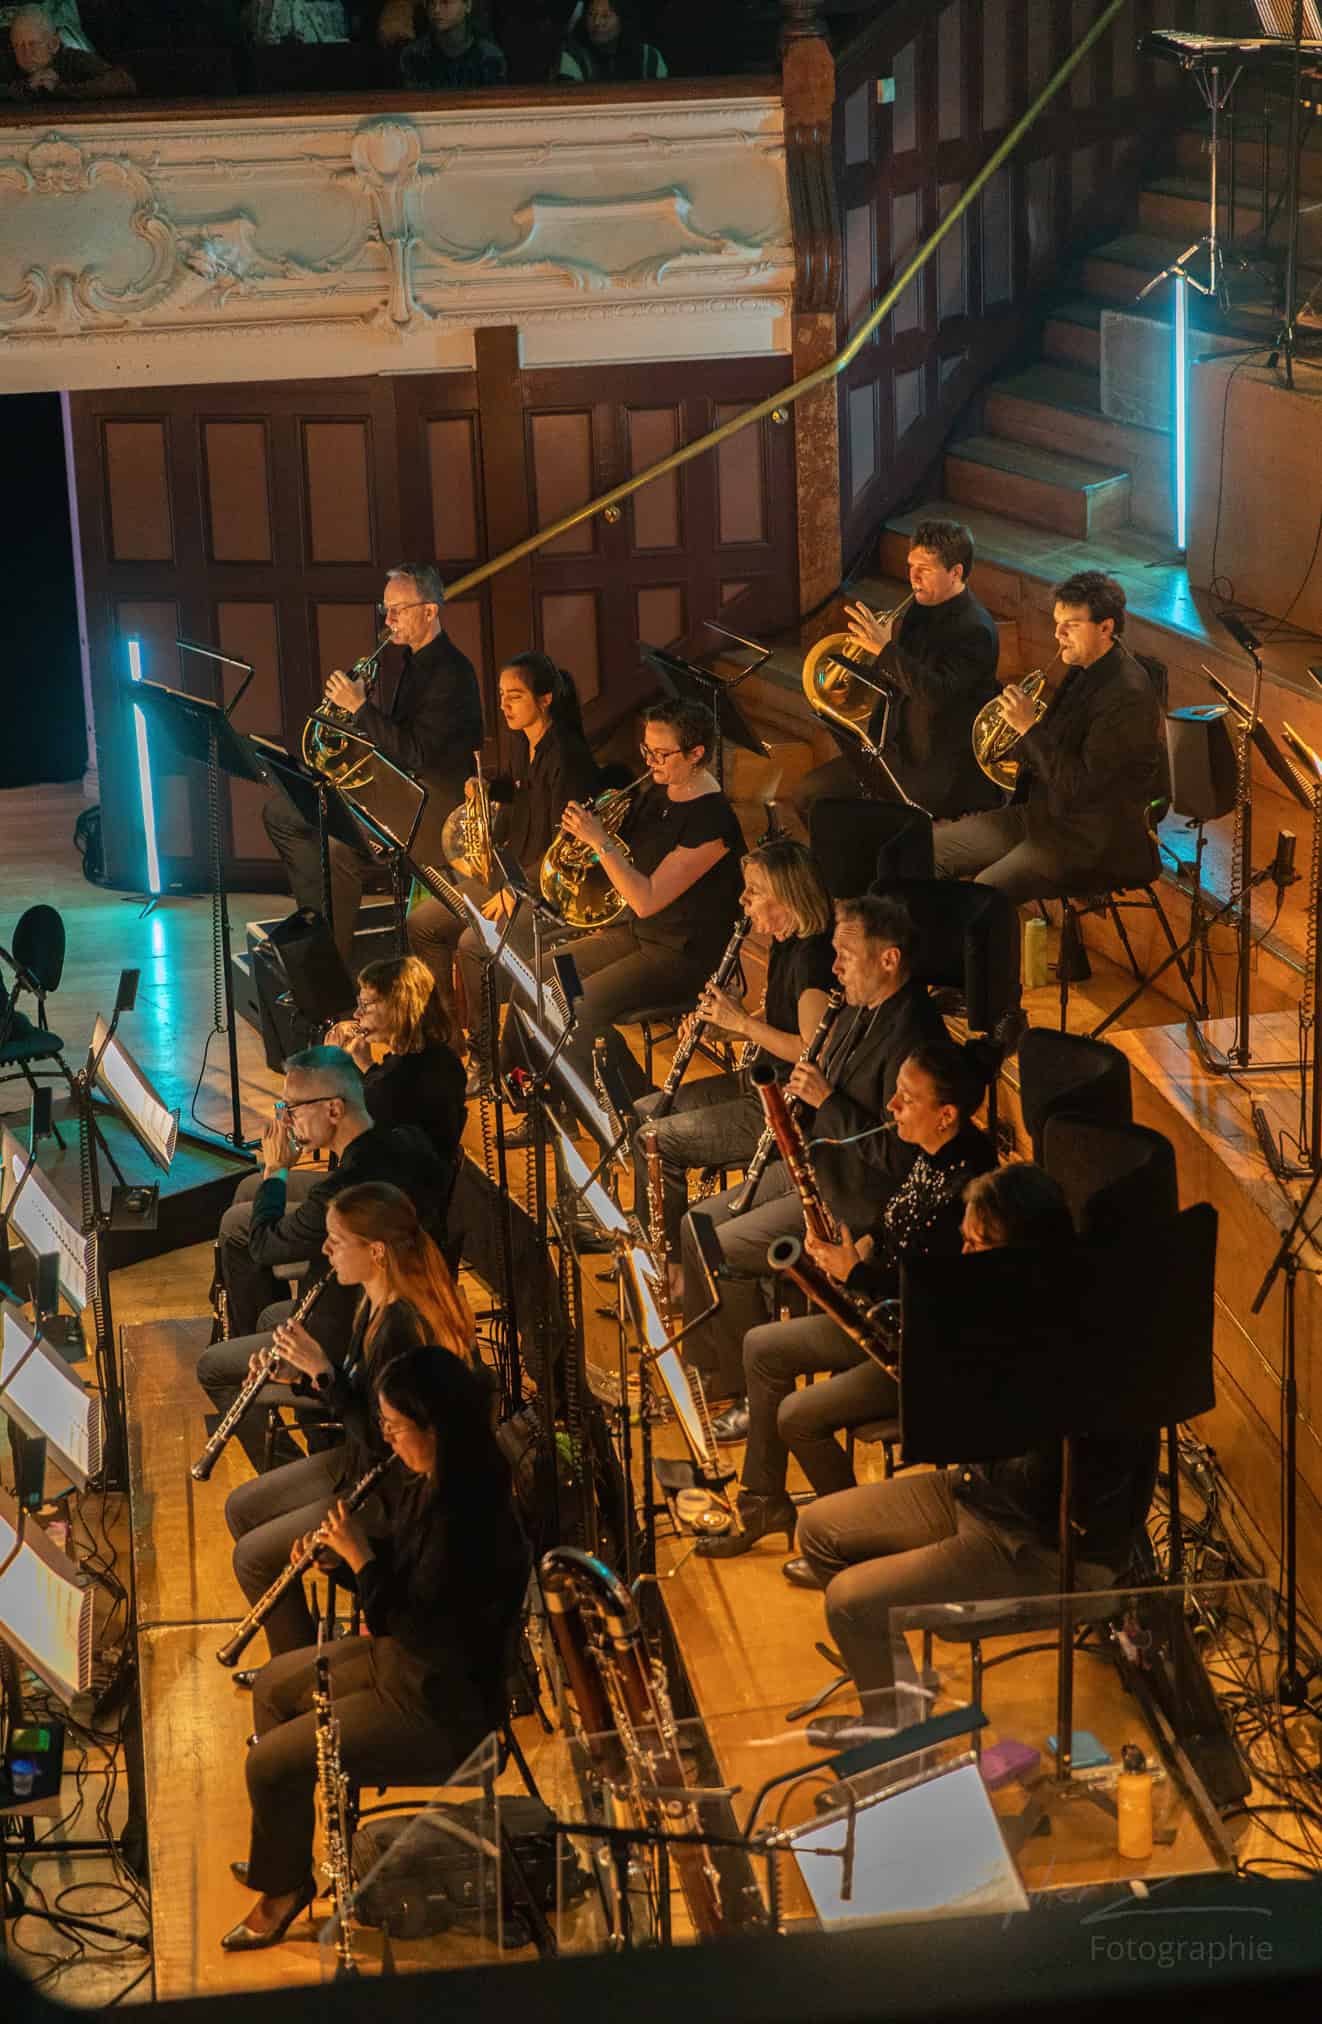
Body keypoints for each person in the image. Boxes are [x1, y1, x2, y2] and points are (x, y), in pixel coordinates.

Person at [796, 1163, 1158, 1744]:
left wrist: (960, 1410)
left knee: (848, 1600)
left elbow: (1042, 1490)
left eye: (977, 1244)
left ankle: (895, 1737)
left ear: (1026, 1251)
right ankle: (899, 1687)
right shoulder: (997, 1306)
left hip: (1038, 1544)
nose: (962, 1256)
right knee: (817, 1530)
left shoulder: (1077, 1340)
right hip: (981, 1493)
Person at [221, 1345, 529, 1952]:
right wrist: (340, 1564)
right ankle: (287, 1859)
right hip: (404, 1665)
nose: (385, 1438)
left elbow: (418, 1626)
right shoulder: (431, 1478)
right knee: (274, 1687)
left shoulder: (472, 1517)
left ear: (433, 1428)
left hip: (441, 1709)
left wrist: (361, 1561)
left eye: (393, 1426)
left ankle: (283, 1888)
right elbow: (399, 1587)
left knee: (267, 1763)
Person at [698, 1040, 996, 1563]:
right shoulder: (930, 1151)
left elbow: (937, 1293)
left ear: (946, 1115)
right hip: (880, 1317)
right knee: (762, 1347)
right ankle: (763, 1502)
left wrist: (853, 1273)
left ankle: (851, 1538)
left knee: (797, 1415)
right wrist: (857, 1247)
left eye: (907, 1099)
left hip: (921, 1352)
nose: (891, 1107)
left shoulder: (971, 1187)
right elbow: (895, 1220)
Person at [678, 893, 949, 1433]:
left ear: (889, 959)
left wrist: (826, 1101)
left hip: (856, 1198)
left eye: (846, 955)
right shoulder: (855, 1009)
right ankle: (712, 1372)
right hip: (818, 1166)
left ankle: (750, 1397)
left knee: (721, 1246)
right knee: (696, 1224)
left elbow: (901, 1156)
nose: (835, 967)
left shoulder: (915, 1038)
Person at [221, 1181, 476, 1667]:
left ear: (376, 1252)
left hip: (390, 1493)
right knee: (241, 1508)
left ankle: (293, 1674)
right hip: (360, 1462)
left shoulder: (402, 1329)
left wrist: (323, 1373)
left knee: (251, 1558)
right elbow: (358, 1390)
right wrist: (301, 1376)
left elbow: (388, 1444)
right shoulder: (373, 1301)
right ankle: (300, 1647)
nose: (324, 1250)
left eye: (336, 1241)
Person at [198, 1046, 446, 1468]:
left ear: (334, 1109)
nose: (285, 1120)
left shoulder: (341, 1192)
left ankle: (291, 1471)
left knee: (212, 1368)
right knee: (270, 1317)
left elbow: (264, 1246)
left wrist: (275, 1169)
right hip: (376, 1303)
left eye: (292, 1109)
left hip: (350, 1332)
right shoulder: (404, 1140)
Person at [526, 698, 744, 1110]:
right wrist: (595, 827)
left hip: (681, 953)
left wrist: (599, 840)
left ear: (696, 753)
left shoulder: (712, 821)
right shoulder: (657, 791)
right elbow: (625, 863)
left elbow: (645, 899)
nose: (650, 761)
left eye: (661, 753)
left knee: (578, 1007)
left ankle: (640, 1110)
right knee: (543, 976)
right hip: (635, 934)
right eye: (646, 749)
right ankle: (557, 1098)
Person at [263, 564, 482, 966]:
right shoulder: (415, 662)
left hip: (428, 811)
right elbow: (400, 743)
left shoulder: (451, 672)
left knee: (333, 844)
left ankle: (327, 961)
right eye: (385, 609)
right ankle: (317, 935)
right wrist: (356, 716)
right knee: (283, 811)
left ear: (430, 611)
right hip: (402, 794)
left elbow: (414, 754)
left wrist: (361, 709)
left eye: (398, 610)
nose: (388, 620)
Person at [631, 836, 834, 1270]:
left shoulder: (814, 960)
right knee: (644, 1112)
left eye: (754, 891)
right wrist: (725, 1029)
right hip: (760, 1081)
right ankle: (649, 1242)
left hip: (787, 1108)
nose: (743, 900)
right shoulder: (785, 940)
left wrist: (742, 1023)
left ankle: (672, 1270)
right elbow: (779, 1019)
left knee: (655, 1140)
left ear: (788, 897)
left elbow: (810, 1049)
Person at [932, 569, 1165, 902]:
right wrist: (1012, 741)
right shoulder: (1083, 667)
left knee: (984, 892)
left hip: (1091, 840)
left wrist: (1028, 728)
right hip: (1044, 814)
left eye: (1071, 625)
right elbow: (1054, 743)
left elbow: (1080, 787)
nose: (1058, 634)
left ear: (1105, 628)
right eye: (1057, 623)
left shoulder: (1128, 694)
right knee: (931, 850)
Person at [407, 652, 599, 1041]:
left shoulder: (568, 758)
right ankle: (447, 1039)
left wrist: (517, 890)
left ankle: (485, 1054)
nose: (504, 705)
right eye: (501, 695)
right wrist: (487, 788)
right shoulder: (521, 743)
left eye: (515, 695)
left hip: (547, 889)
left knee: (473, 944)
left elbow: (567, 848)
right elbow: (517, 792)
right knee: (422, 924)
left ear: (545, 699)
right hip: (511, 876)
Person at [794, 520, 1000, 829]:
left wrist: (885, 649)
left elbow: (936, 695)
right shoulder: (919, 608)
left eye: (924, 569)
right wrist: (850, 682)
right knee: (807, 795)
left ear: (956, 572)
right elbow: (896, 679)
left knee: (852, 817)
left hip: (936, 767)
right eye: (911, 566)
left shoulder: (975, 630)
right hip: (893, 749)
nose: (913, 577)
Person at [325, 954, 467, 1167]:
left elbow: (333, 1129)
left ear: (397, 1009)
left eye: (365, 1005)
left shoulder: (397, 1079)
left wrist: (333, 1066)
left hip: (385, 1185)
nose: (356, 1014)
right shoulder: (444, 1058)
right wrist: (365, 1063)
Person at [2, 4, 135, 93]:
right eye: (18, 46)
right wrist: (26, 87)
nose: (26, 53)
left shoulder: (73, 59)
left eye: (33, 44)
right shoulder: (9, 61)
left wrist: (60, 88)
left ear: (54, 44)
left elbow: (123, 82)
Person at [398, 0, 507, 87]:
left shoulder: (488, 57)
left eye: (446, 2)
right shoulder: (414, 55)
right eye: (431, 2)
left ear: (467, 5)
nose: (436, 9)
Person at [555, 0, 666, 80]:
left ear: (623, 19)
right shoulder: (572, 58)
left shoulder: (649, 57)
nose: (597, 22)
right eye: (591, 15)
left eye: (605, 16)